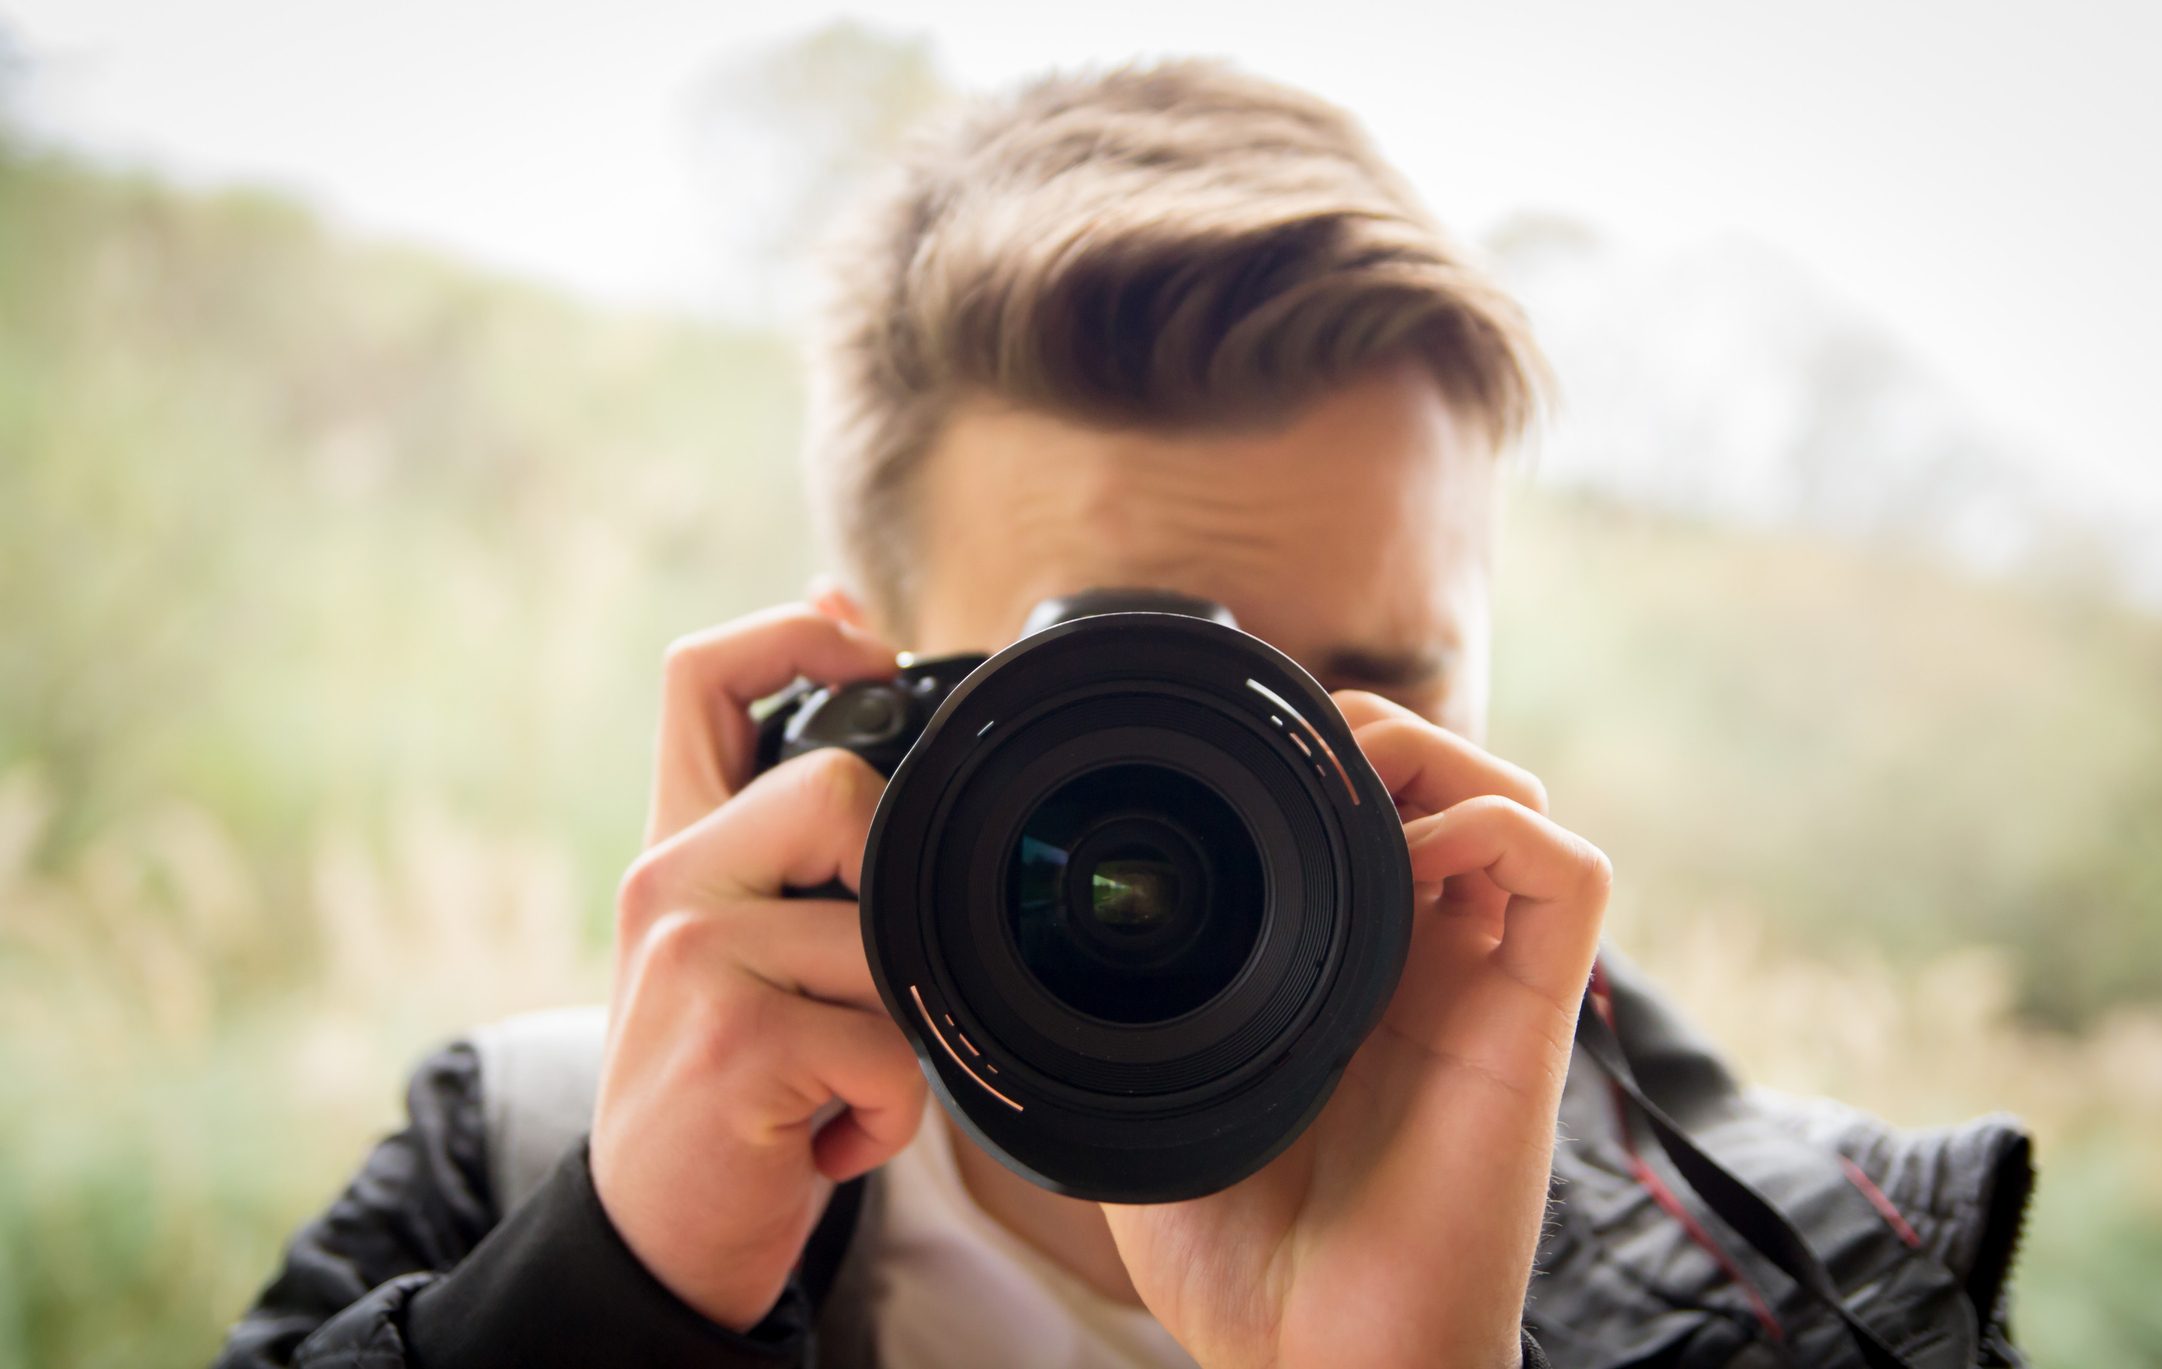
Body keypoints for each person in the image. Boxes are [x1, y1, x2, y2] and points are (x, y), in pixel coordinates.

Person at [214, 57, 2033, 1369]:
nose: (1274, 784)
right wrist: (610, 1290)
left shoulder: (1831, 1274)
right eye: (1143, 692)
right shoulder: (533, 1161)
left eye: (1375, 688)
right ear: (867, 709)